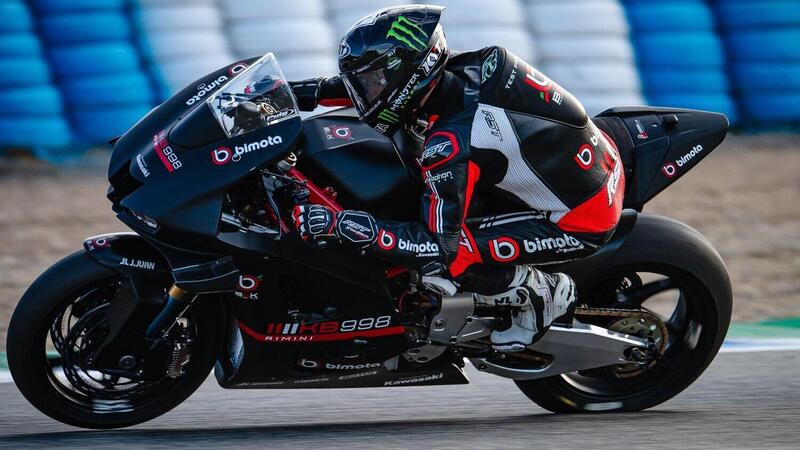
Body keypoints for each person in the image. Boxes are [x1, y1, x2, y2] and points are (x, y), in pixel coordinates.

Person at [289, 5, 624, 352]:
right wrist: (295, 92)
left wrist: (344, 225)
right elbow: (387, 87)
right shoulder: (466, 68)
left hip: (577, 217)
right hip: (581, 164)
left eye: (373, 81)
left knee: (452, 258)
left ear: (411, 74)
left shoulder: (450, 143)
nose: (367, 91)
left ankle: (541, 292)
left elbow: (437, 249)